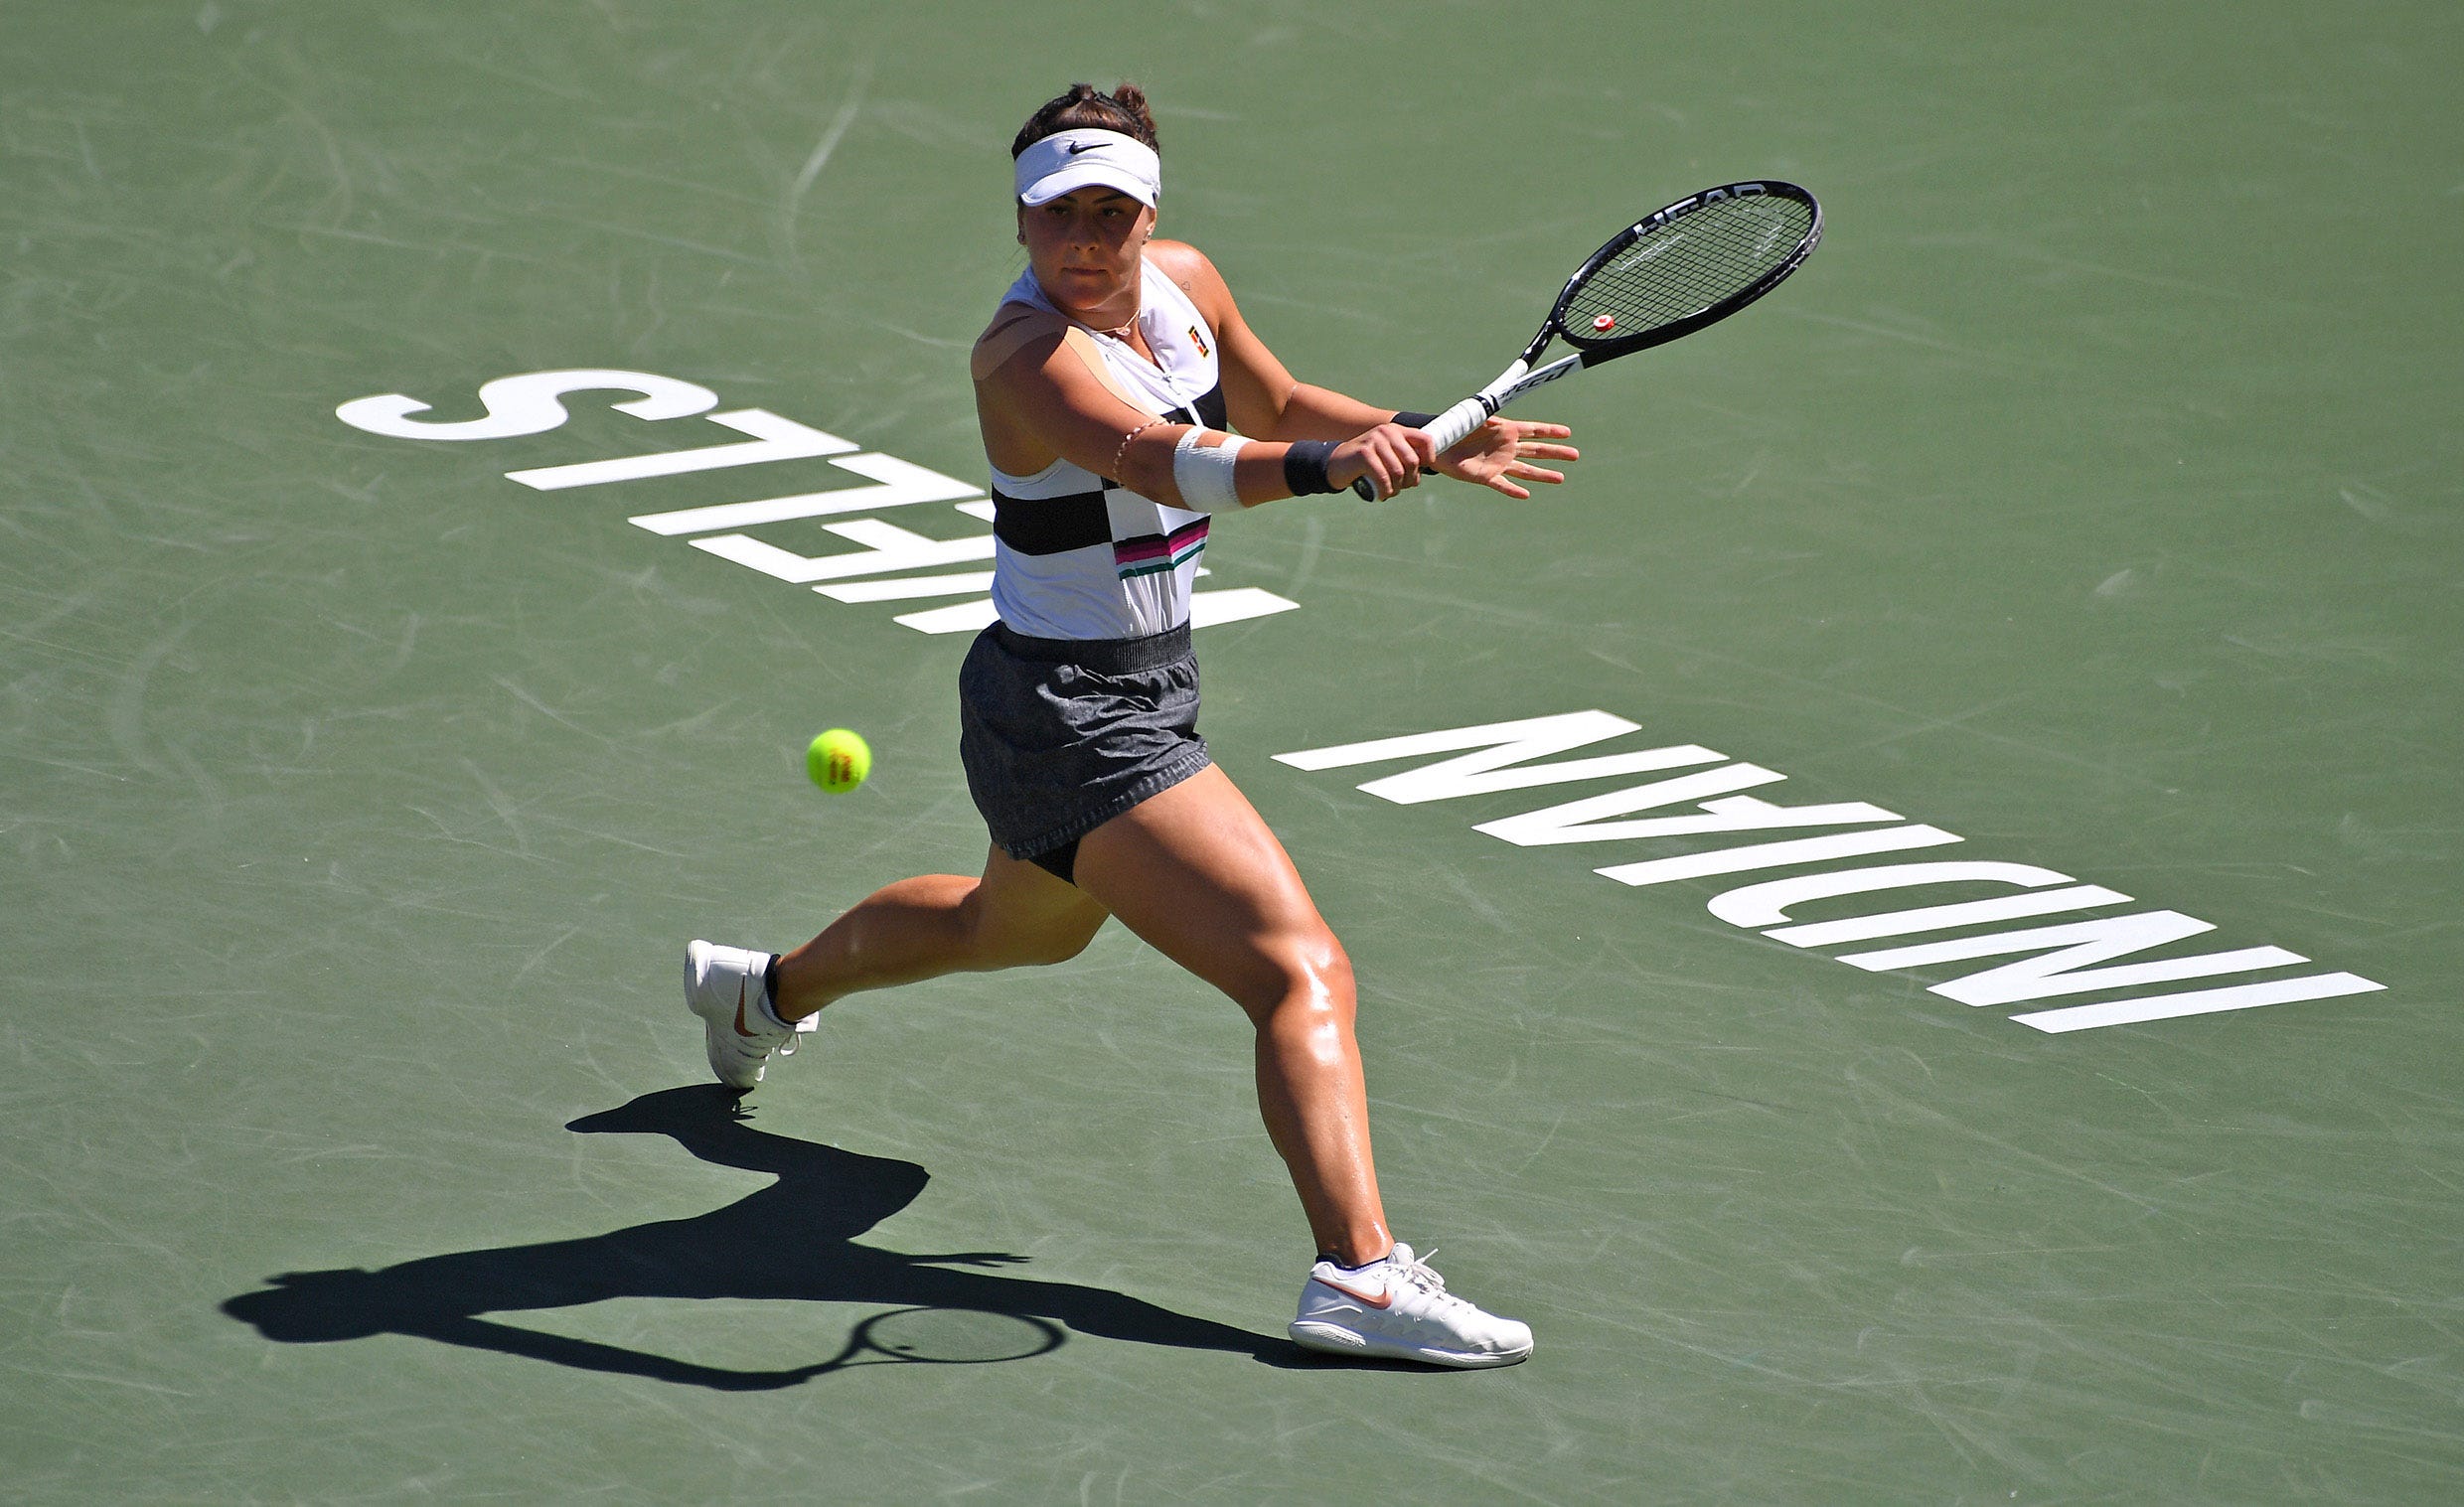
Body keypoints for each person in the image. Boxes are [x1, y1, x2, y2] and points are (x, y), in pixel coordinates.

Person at [685, 81, 1576, 1369]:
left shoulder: (1188, 285)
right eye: (1060, 215)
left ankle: (759, 993)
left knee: (1007, 929)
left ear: (1153, 217)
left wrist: (1410, 439)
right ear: (1020, 221)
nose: (1087, 242)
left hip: (1136, 684)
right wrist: (1331, 470)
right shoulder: (1026, 355)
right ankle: (1361, 1277)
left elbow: (1272, 402)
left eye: (1114, 213)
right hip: (1072, 711)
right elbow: (1162, 460)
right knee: (1300, 969)